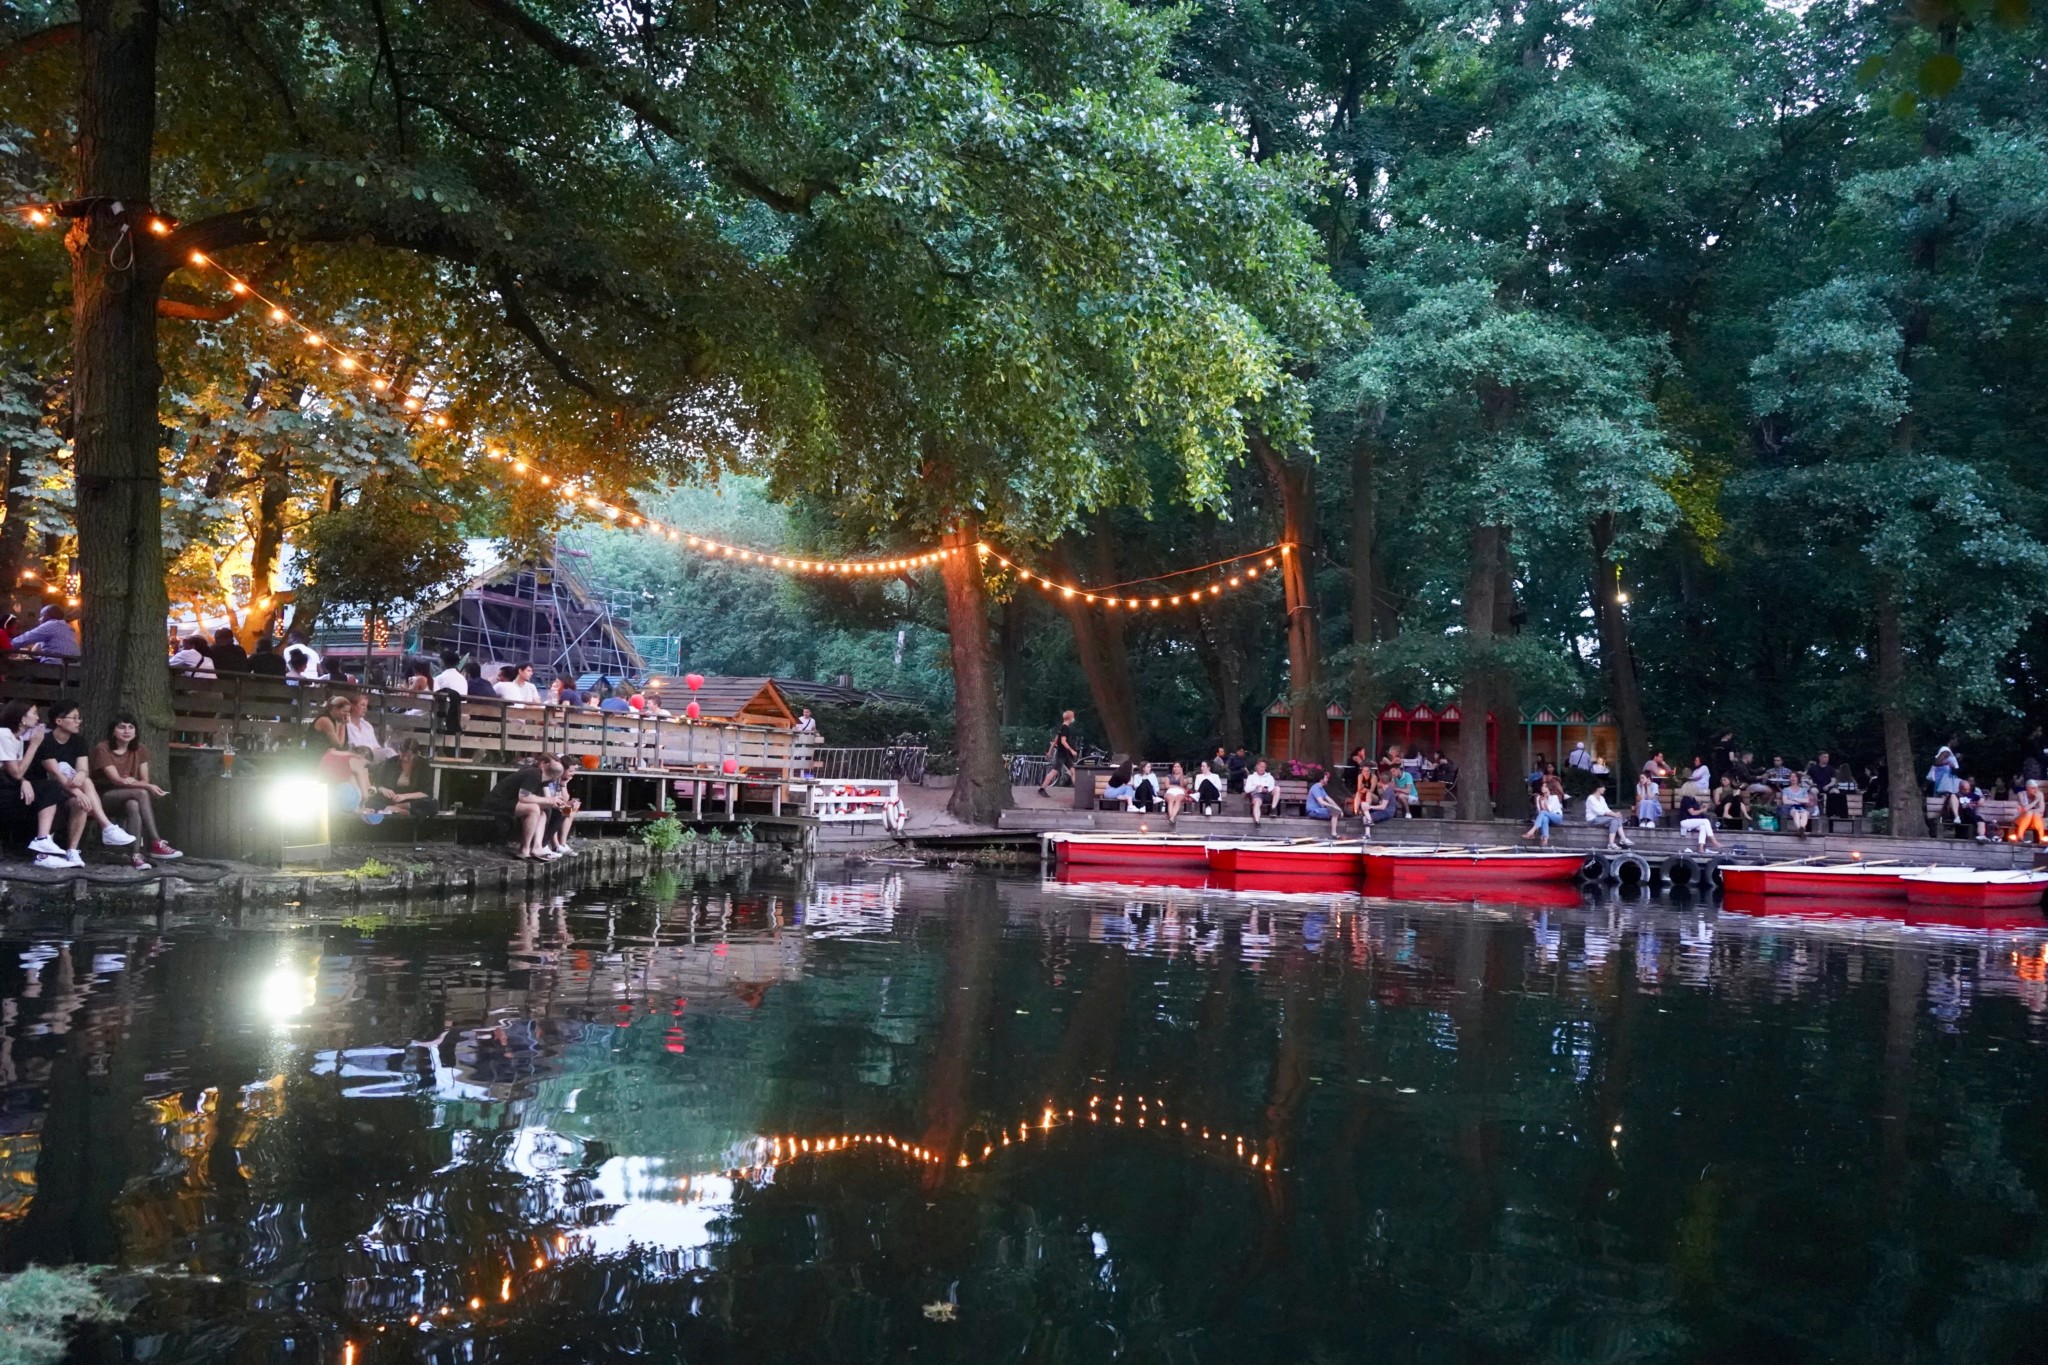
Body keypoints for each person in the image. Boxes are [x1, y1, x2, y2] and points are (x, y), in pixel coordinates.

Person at [30, 701, 138, 866]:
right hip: (47, 790)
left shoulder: (79, 741)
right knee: (83, 791)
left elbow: (83, 769)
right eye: (74, 718)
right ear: (59, 721)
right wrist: (79, 793)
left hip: (69, 790)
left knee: (83, 792)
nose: (78, 721)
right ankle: (107, 827)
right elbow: (55, 775)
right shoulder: (46, 741)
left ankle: (72, 851)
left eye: (79, 718)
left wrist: (80, 774)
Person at [92, 715, 181, 865]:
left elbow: (144, 778)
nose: (127, 731)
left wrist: (139, 783)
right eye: (121, 727)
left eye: (131, 727)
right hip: (101, 797)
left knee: (133, 804)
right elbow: (116, 780)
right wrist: (145, 786)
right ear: (113, 732)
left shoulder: (140, 749)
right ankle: (156, 841)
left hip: (129, 793)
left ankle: (135, 855)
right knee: (141, 792)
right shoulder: (103, 748)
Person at [483, 755, 569, 859]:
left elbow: (537, 799)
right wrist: (549, 800)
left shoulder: (542, 778)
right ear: (555, 778)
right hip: (497, 802)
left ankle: (537, 847)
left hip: (511, 801)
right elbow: (524, 797)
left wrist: (555, 803)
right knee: (533, 809)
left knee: (542, 812)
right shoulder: (534, 774)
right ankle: (525, 849)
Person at [0, 702, 55, 865]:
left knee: (51, 789)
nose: (38, 718)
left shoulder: (16, 739)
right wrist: (34, 745)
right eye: (34, 713)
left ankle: (43, 839)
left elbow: (16, 773)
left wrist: (24, 782)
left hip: (7, 784)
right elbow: (16, 772)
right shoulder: (3, 735)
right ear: (22, 718)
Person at [310, 694, 384, 810]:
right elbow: (338, 744)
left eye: (348, 712)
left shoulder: (338, 722)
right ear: (335, 709)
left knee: (358, 771)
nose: (346, 715)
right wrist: (343, 724)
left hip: (332, 754)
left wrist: (342, 724)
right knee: (357, 768)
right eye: (344, 712)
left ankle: (366, 796)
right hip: (317, 756)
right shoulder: (325, 720)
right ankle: (362, 803)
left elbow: (342, 744)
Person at [1036, 710, 1078, 796]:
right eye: (1073, 716)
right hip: (1062, 755)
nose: (1074, 718)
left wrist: (1049, 751)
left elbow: (1055, 741)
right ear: (1070, 718)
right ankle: (1042, 789)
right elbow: (1063, 741)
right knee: (1054, 772)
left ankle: (1079, 791)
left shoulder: (1061, 727)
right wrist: (1071, 750)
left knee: (1073, 772)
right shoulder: (1065, 728)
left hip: (1065, 755)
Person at [12, 605, 78, 659]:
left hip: (55, 668)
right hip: (68, 668)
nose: (39, 619)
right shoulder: (65, 627)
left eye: (41, 616)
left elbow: (26, 638)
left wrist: (7, 643)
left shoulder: (52, 624)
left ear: (48, 616)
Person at [346, 693, 398, 762]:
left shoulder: (367, 726)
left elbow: (376, 746)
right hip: (356, 754)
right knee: (388, 752)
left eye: (366, 706)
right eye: (362, 705)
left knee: (389, 752)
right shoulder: (346, 724)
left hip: (372, 754)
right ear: (352, 706)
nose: (365, 708)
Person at [1584, 781, 1632, 849]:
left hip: (1601, 818)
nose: (1604, 789)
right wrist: (1614, 815)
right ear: (1598, 788)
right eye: (1603, 787)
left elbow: (1607, 809)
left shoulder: (1602, 798)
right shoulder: (1591, 798)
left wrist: (1616, 814)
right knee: (1614, 818)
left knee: (1615, 820)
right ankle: (1623, 839)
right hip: (1593, 820)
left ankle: (1612, 843)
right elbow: (1600, 812)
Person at [1522, 775, 1565, 847]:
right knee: (1544, 818)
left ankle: (1533, 830)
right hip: (1547, 818)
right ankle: (1545, 839)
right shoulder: (1540, 798)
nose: (1542, 787)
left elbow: (1548, 810)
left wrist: (1545, 801)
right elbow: (1540, 813)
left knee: (1544, 813)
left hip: (1557, 817)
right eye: (1542, 786)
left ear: (1548, 788)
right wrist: (1539, 801)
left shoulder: (1554, 797)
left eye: (1544, 786)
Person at [1926, 746, 1962, 823]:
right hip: (1939, 785)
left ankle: (1948, 816)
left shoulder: (1951, 760)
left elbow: (1955, 772)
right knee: (1941, 797)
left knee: (1949, 796)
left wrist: (1952, 765)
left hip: (1948, 785)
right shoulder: (1938, 762)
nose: (1946, 754)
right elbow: (1936, 765)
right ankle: (1941, 817)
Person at [1304, 770, 1344, 838]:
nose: (1327, 779)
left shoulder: (1321, 789)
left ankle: (1333, 833)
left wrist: (1338, 808)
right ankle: (1334, 834)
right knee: (1335, 812)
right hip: (1313, 811)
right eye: (1326, 777)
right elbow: (1321, 802)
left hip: (1319, 810)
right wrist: (1334, 808)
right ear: (1321, 779)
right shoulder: (1315, 788)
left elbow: (1329, 799)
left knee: (1337, 811)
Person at [2011, 779, 2046, 844]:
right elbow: (2024, 809)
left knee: (2035, 814)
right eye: (2033, 788)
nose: (2036, 790)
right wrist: (2036, 801)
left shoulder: (2040, 794)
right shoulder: (2021, 794)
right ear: (2027, 788)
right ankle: (2020, 837)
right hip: (2021, 819)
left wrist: (2032, 811)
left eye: (2037, 788)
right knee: (2029, 813)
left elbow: (2042, 809)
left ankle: (2041, 839)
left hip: (2035, 821)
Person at [1244, 759, 1277, 826]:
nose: (1263, 768)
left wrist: (1266, 790)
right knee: (1257, 802)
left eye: (1264, 767)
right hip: (1257, 794)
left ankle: (1273, 809)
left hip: (1268, 794)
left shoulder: (1269, 777)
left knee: (1277, 789)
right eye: (1261, 766)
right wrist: (1255, 786)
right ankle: (1257, 821)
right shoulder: (1251, 777)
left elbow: (1272, 786)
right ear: (1257, 767)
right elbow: (1246, 790)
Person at [1163, 763, 1190, 828]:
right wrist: (1177, 787)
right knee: (1171, 799)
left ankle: (1171, 818)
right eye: (1175, 767)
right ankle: (1172, 818)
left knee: (1178, 800)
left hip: (1180, 792)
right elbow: (1167, 785)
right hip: (1170, 790)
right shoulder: (1169, 776)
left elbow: (1182, 785)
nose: (1176, 768)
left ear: (1181, 768)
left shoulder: (1184, 777)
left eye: (1178, 767)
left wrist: (1181, 774)